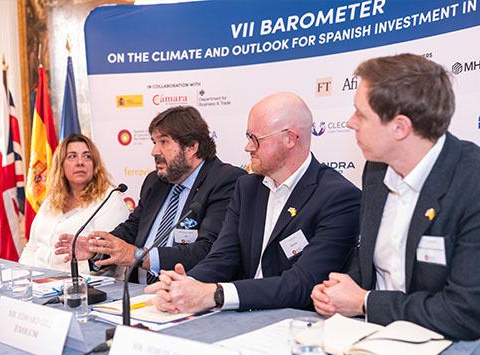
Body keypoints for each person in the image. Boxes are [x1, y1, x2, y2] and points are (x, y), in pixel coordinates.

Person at [311, 54, 480, 340]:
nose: (349, 123)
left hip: (449, 347)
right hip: (372, 338)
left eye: (360, 114)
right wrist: (337, 291)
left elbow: (468, 312)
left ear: (400, 127)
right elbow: (372, 263)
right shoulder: (376, 171)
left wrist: (364, 302)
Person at [145, 92, 361, 312]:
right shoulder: (247, 187)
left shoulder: (338, 197)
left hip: (293, 320)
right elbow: (223, 256)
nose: (248, 147)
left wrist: (216, 294)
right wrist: (185, 286)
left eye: (255, 138)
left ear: (290, 139)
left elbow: (302, 284)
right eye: (248, 136)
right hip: (239, 315)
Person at [55, 106, 246, 282]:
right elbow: (131, 229)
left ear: (191, 147)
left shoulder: (225, 181)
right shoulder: (156, 181)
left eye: (164, 142)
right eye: (154, 142)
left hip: (185, 292)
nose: (154, 151)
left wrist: (138, 256)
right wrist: (96, 249)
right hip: (134, 292)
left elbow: (208, 251)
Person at [19, 134, 129, 274]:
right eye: (72, 156)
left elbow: (109, 260)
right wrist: (24, 276)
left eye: (87, 156)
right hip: (38, 281)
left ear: (94, 164)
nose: (80, 162)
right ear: (61, 165)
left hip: (80, 283)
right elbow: (32, 248)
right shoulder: (51, 200)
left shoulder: (109, 199)